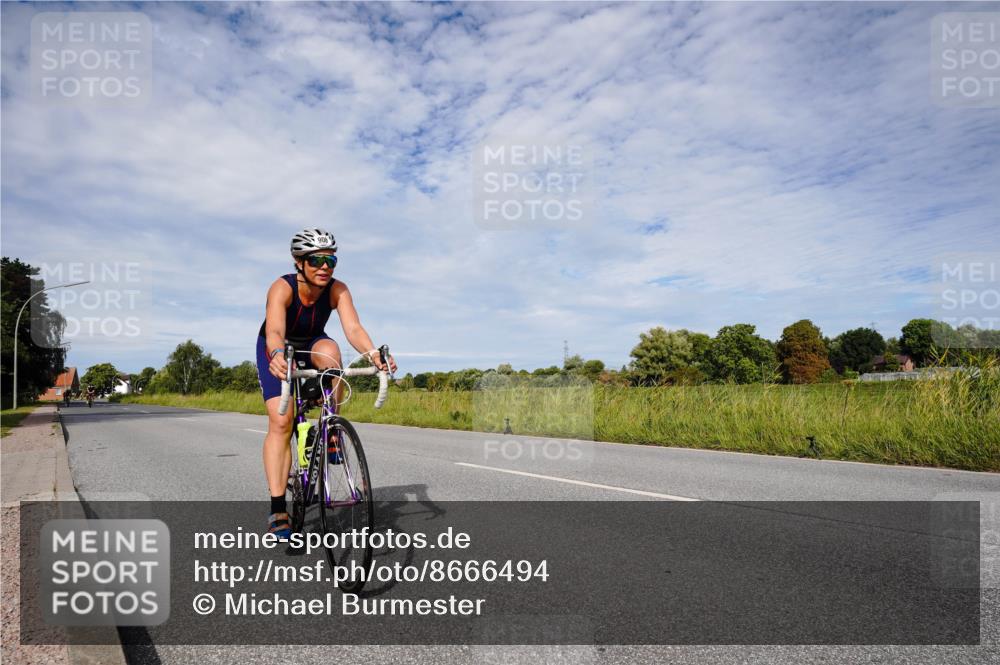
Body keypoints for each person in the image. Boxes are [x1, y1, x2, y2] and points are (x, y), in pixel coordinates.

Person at [256, 228, 396, 540]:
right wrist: (277, 355)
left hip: (313, 344)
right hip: (279, 347)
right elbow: (275, 331)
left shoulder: (338, 289)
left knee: (332, 354)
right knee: (282, 421)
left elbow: (353, 328)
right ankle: (278, 507)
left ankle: (330, 430)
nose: (325, 267)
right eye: (316, 260)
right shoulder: (282, 288)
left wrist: (374, 355)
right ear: (298, 262)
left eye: (331, 260)